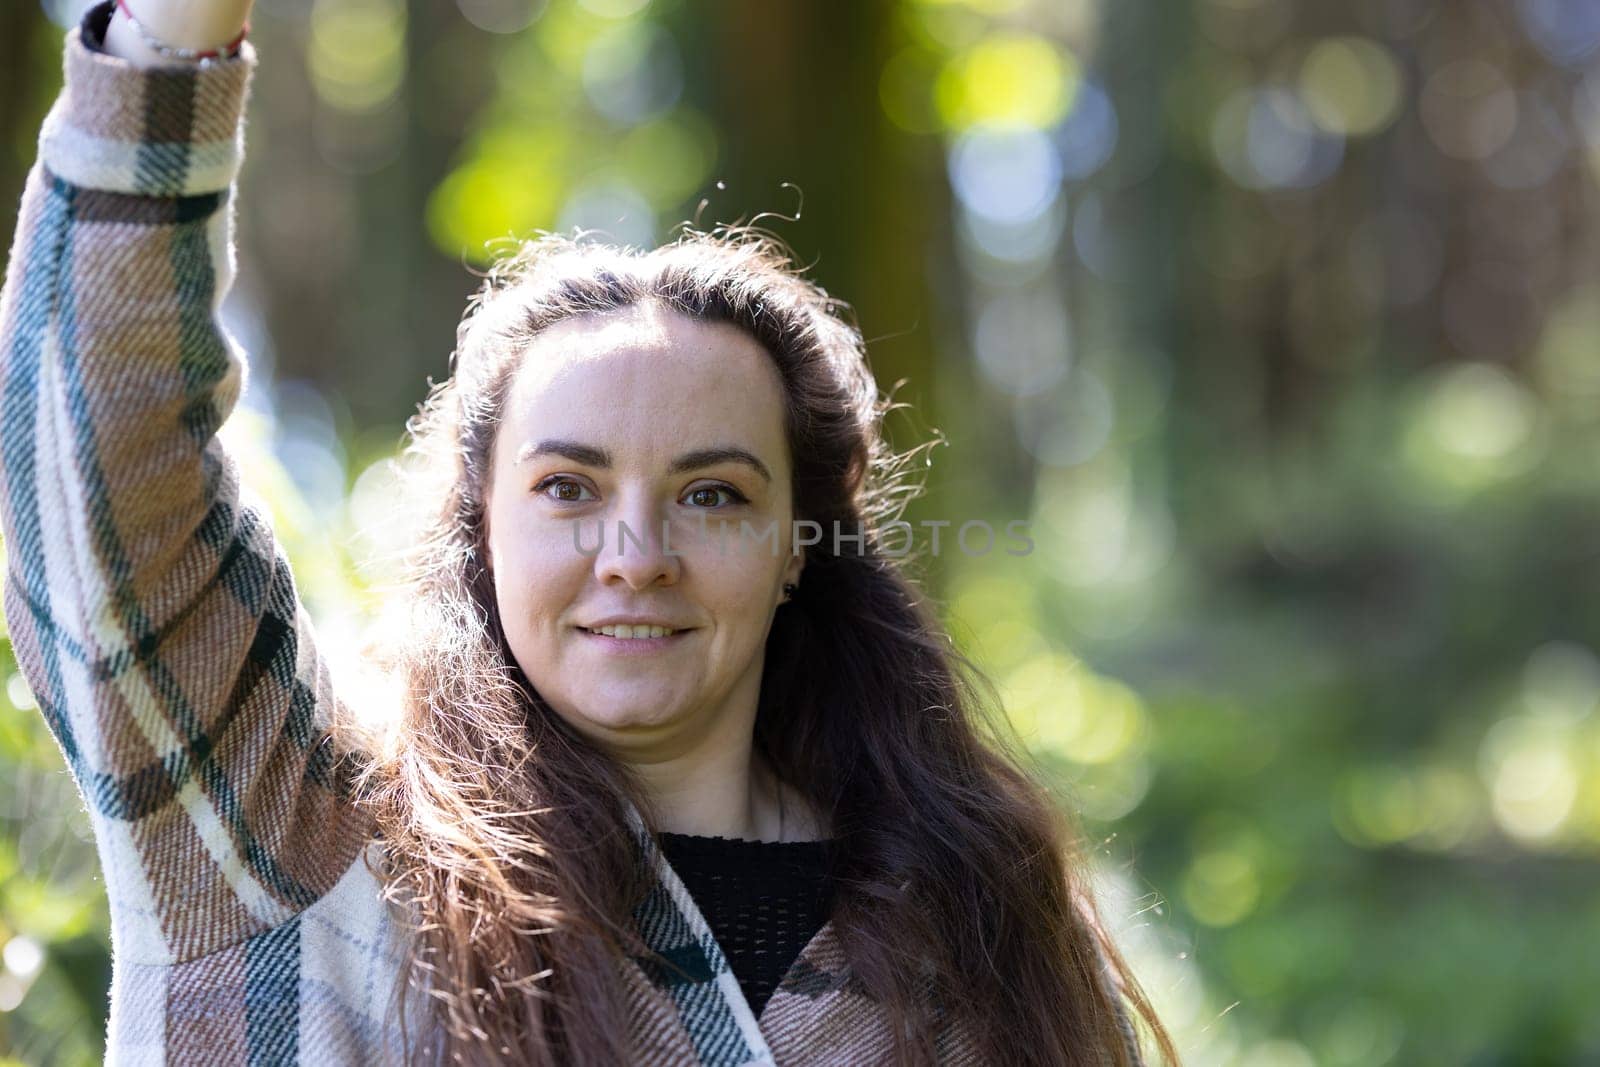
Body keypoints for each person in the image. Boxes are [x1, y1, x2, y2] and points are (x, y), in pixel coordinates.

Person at [0, 1, 1180, 1064]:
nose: (634, 553)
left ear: (798, 545)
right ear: (482, 529)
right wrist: (170, 38)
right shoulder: (300, 836)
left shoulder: (979, 931)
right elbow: (96, 459)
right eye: (568, 487)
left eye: (712, 493)